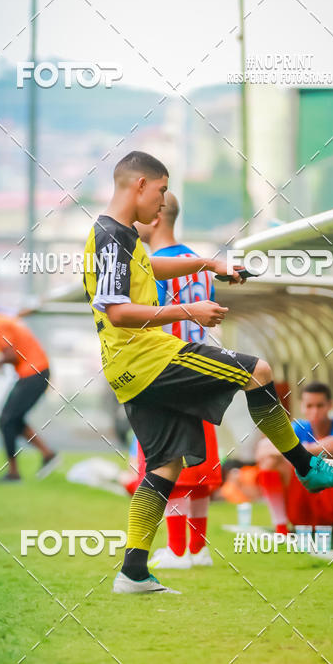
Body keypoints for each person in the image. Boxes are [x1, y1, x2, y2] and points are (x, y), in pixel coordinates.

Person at [83, 150, 333, 595]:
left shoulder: (120, 237)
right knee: (259, 370)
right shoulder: (112, 236)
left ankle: (132, 571)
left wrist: (210, 264)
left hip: (128, 372)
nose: (164, 200)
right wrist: (189, 307)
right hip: (152, 359)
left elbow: (152, 269)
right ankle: (306, 467)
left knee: (164, 466)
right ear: (138, 185)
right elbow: (117, 312)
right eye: (161, 189)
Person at [135, 191, 220, 569]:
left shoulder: (152, 265)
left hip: (170, 369)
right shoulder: (199, 263)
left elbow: (148, 316)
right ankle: (198, 549)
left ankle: (177, 549)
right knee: (199, 468)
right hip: (204, 369)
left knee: (165, 458)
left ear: (155, 218)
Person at [256, 382, 333, 552]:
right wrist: (301, 450)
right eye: (310, 406)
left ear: (330, 405)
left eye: (320, 405)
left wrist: (295, 449)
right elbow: (263, 449)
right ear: (302, 407)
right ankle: (281, 529)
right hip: (304, 506)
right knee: (270, 462)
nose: (315, 411)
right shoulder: (299, 427)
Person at [0, 302, 59, 482]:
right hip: (35, 371)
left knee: (6, 420)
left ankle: (13, 473)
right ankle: (48, 454)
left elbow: (10, 355)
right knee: (12, 419)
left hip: (34, 372)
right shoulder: (1, 319)